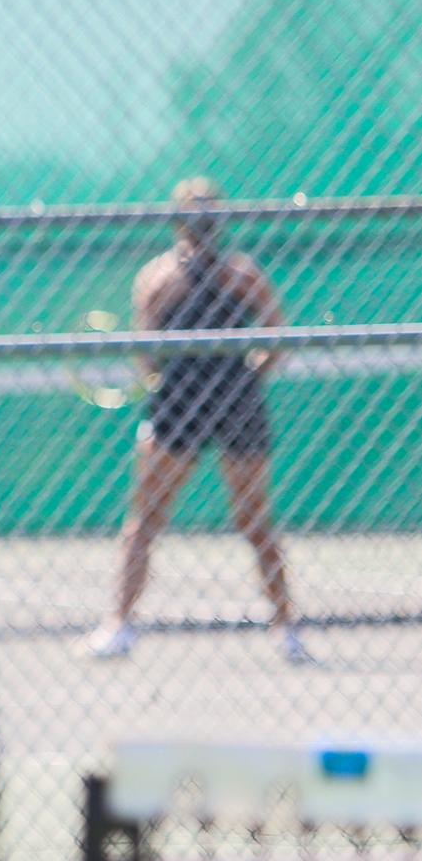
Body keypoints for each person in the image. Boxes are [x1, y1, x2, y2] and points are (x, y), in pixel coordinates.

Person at [82, 178, 309, 663]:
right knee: (145, 520)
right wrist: (164, 380)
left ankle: (286, 628)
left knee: (254, 520)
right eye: (196, 216)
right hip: (178, 405)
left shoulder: (241, 275)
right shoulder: (158, 277)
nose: (205, 226)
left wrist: (247, 377)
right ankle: (118, 625)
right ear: (179, 221)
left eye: (212, 217)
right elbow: (146, 349)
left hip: (236, 403)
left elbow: (276, 332)